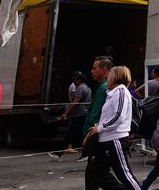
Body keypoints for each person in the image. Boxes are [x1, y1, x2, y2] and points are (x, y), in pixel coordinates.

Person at [83, 66, 142, 190]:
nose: (107, 78)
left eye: (109, 75)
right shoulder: (113, 93)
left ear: (116, 77)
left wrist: (99, 128)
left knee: (125, 175)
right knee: (95, 173)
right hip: (107, 140)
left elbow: (118, 116)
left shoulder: (121, 91)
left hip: (115, 139)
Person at [84, 56, 122, 189]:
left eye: (95, 68)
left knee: (94, 176)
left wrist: (90, 134)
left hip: (100, 138)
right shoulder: (105, 87)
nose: (91, 71)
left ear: (104, 70)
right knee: (101, 176)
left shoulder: (104, 89)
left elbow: (96, 115)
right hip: (104, 137)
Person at [52, 71, 92, 158]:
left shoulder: (80, 89)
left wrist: (66, 113)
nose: (74, 81)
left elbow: (75, 103)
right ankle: (60, 153)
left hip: (78, 115)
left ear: (79, 79)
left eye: (75, 79)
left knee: (71, 134)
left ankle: (60, 153)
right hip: (84, 113)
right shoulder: (88, 88)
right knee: (78, 134)